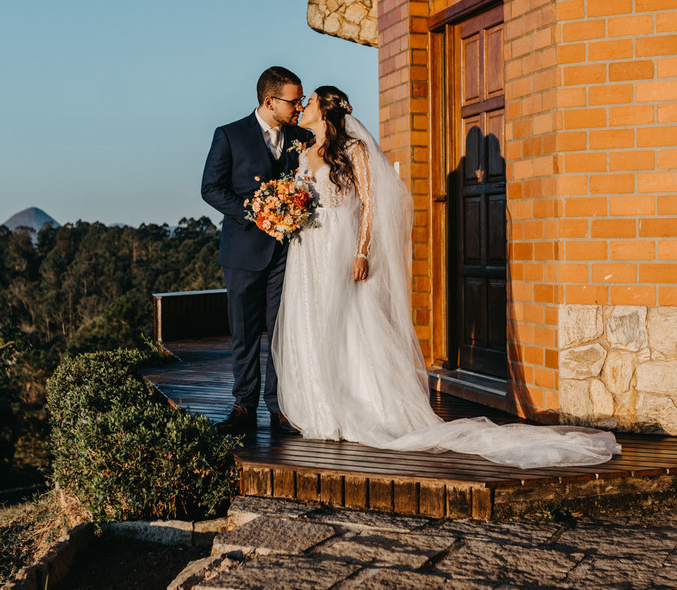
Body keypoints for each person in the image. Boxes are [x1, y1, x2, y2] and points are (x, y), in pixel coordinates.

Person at [271, 86, 619, 468]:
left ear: (327, 109)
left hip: (339, 248)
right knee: (313, 324)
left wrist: (361, 250)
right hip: (308, 251)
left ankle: (357, 405)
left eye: (311, 101)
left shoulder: (355, 150)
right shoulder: (302, 150)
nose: (303, 107)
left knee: (348, 326)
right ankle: (322, 408)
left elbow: (371, 203)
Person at [201, 66, 314, 435]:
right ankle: (243, 408)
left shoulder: (302, 136)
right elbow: (211, 188)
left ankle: (280, 408)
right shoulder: (230, 135)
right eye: (293, 100)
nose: (299, 106)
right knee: (246, 334)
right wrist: (254, 213)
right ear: (270, 101)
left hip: (287, 253)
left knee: (282, 331)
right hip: (243, 250)